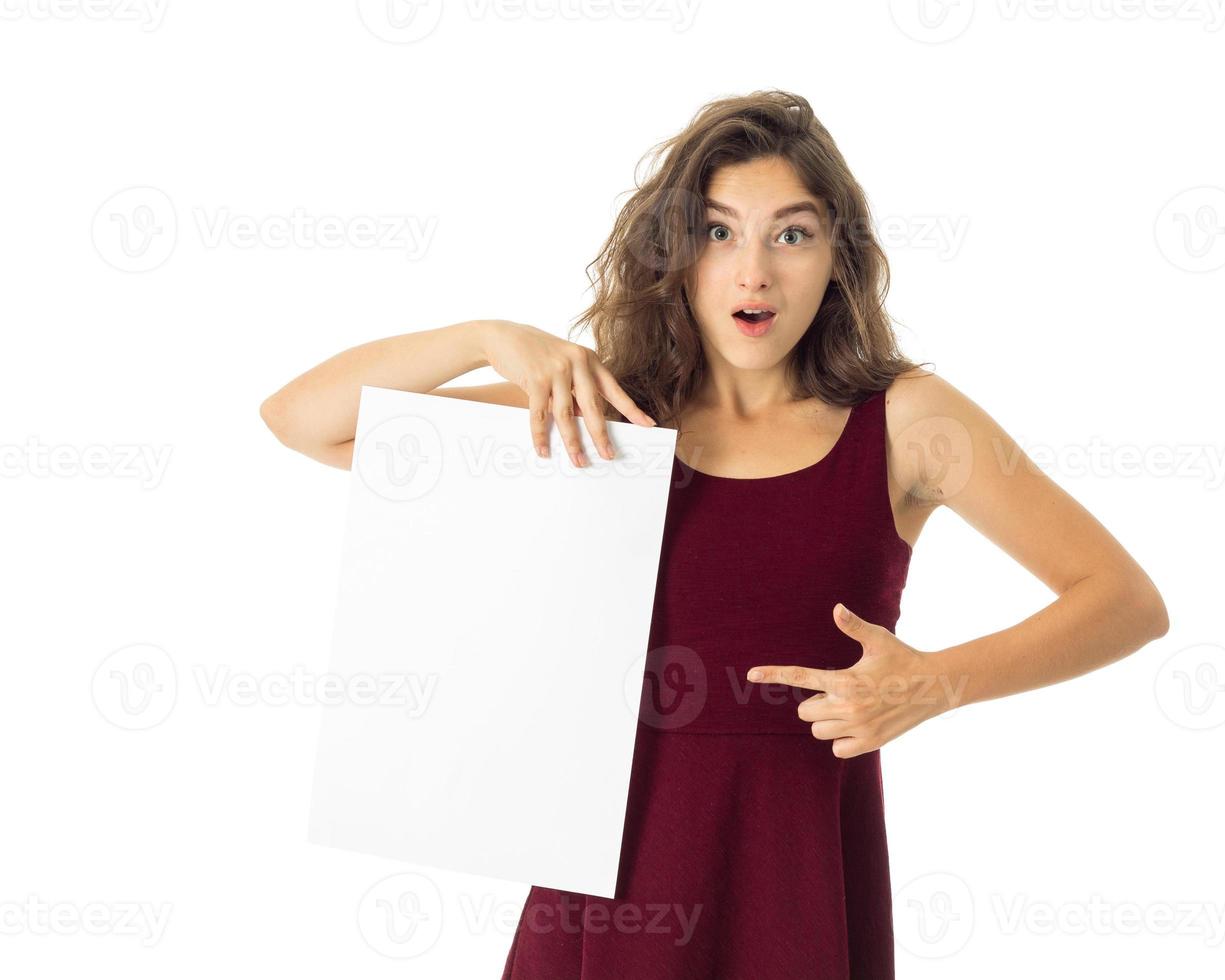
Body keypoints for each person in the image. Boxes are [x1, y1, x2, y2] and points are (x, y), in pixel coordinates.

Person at [260, 89, 1169, 980]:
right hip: (604, 885)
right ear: (675, 253)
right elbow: (305, 421)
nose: (754, 271)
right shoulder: (603, 417)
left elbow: (1124, 601)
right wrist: (485, 337)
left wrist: (939, 683)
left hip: (798, 879)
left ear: (838, 257)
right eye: (718, 230)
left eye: (793, 233)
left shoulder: (904, 423)